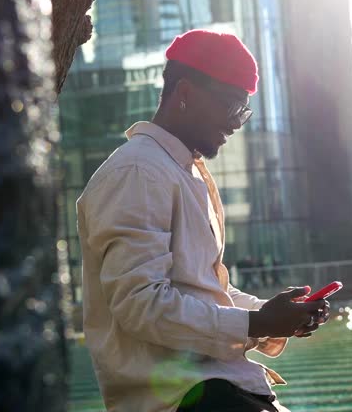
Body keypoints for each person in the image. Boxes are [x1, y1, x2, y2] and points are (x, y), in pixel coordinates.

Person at [76, 29, 330, 412]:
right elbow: (141, 305)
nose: (237, 123)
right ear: (186, 93)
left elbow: (203, 291)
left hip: (215, 391)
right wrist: (258, 324)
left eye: (244, 111)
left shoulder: (177, 170)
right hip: (184, 400)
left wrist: (277, 317)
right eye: (232, 106)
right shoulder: (139, 172)